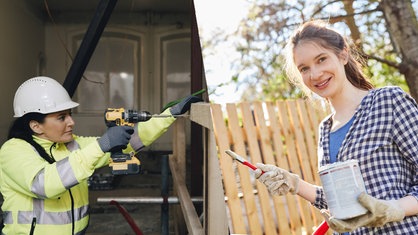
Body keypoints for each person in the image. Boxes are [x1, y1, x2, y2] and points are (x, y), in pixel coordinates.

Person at [254, 20, 418, 234]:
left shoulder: (388, 101)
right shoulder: (325, 129)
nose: (315, 74)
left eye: (321, 59)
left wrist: (394, 208)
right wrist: (294, 183)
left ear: (343, 55)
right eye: (304, 68)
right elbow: (344, 201)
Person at [0, 76, 201, 235]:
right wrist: (102, 144)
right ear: (35, 126)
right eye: (61, 117)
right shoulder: (13, 151)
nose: (71, 122)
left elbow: (130, 141)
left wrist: (168, 116)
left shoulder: (71, 146)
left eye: (70, 114)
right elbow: (44, 183)